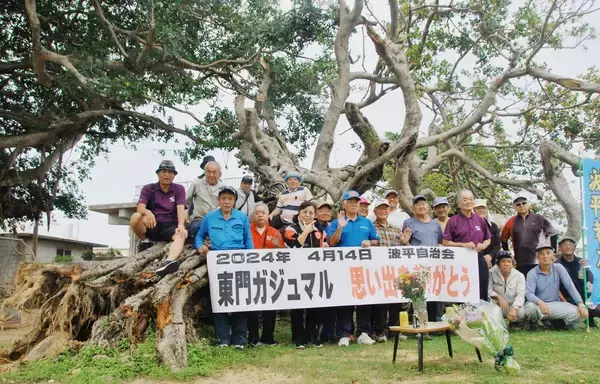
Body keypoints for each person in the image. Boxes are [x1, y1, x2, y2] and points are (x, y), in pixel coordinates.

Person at [195, 186, 254, 349]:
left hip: (239, 261)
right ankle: (223, 340)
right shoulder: (209, 217)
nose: (227, 201)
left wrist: (251, 259)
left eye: (230, 198)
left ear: (234, 201)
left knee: (240, 299)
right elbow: (199, 235)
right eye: (224, 198)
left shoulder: (242, 217)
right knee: (219, 298)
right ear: (218, 200)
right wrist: (200, 245)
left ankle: (239, 339)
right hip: (217, 262)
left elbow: (248, 240)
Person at [327, 190, 379, 347]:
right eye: (350, 201)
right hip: (343, 268)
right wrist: (340, 228)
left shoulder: (367, 222)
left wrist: (370, 243)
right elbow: (332, 243)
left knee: (364, 299)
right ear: (344, 204)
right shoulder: (337, 222)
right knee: (345, 299)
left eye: (356, 201)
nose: (354, 204)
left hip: (363, 268)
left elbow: (376, 241)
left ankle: (364, 332)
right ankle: (345, 333)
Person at [130, 160, 187, 277]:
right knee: (136, 216)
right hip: (153, 223)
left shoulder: (179, 189)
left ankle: (168, 261)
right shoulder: (149, 188)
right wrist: (147, 212)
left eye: (170, 172)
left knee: (181, 235)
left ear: (174, 175)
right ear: (158, 173)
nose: (167, 175)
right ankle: (145, 241)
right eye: (164, 171)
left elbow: (181, 209)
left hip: (170, 224)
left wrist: (181, 225)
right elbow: (140, 207)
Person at [284, 201, 329, 349]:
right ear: (299, 213)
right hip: (295, 272)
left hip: (314, 273)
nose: (308, 215)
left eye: (311, 212)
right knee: (297, 306)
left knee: (314, 305)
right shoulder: (291, 228)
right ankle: (298, 338)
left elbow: (325, 248)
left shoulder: (319, 231)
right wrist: (306, 231)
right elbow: (295, 246)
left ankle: (313, 336)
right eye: (305, 212)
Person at [372, 199, 411, 342]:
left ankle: (395, 330)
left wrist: (404, 242)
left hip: (394, 270)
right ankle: (380, 331)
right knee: (380, 302)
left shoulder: (396, 229)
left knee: (396, 301)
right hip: (377, 270)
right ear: (375, 211)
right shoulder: (371, 228)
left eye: (386, 208)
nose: (383, 211)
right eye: (380, 208)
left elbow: (404, 250)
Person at [524, 243, 588, 330]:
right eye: (541, 254)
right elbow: (528, 293)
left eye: (548, 253)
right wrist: (539, 302)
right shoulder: (532, 273)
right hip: (538, 305)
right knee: (530, 308)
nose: (545, 256)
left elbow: (570, 286)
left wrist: (580, 304)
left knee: (579, 313)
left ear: (553, 256)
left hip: (554, 305)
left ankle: (560, 323)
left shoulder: (558, 268)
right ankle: (533, 323)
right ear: (537, 257)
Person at [403, 195, 444, 329]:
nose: (421, 206)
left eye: (424, 204)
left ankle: (436, 324)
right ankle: (421, 325)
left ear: (428, 207)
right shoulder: (408, 222)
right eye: (418, 204)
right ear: (413, 208)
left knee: (435, 292)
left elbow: (439, 243)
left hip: (434, 264)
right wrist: (407, 245)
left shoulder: (435, 224)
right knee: (419, 295)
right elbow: (405, 243)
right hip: (417, 264)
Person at [442, 189, 491, 300]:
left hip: (478, 258)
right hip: (460, 261)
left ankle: (483, 313)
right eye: (465, 200)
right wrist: (462, 245)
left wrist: (483, 245)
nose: (469, 202)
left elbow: (488, 239)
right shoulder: (453, 220)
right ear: (459, 203)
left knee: (482, 287)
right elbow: (445, 242)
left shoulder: (480, 220)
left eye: (471, 199)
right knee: (463, 290)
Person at [247, 203, 283, 346]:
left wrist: (277, 246)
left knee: (270, 305)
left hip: (270, 274)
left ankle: (268, 337)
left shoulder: (275, 232)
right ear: (252, 215)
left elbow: (283, 254)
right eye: (257, 212)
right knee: (251, 305)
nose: (260, 215)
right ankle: (253, 338)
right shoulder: (246, 230)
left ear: (268, 215)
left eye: (263, 212)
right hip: (251, 272)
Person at [501, 195, 558, 277]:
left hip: (539, 260)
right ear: (514, 207)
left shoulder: (539, 218)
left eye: (524, 203)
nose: (521, 206)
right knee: (525, 286)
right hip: (520, 261)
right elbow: (503, 239)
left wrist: (553, 252)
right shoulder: (511, 221)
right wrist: (509, 255)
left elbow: (553, 233)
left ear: (528, 204)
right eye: (518, 204)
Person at [555, 236, 599, 327]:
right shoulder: (556, 265)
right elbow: (554, 286)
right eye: (564, 245)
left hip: (586, 299)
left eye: (570, 244)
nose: (568, 247)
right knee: (571, 326)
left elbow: (592, 280)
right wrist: (563, 300)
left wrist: (588, 268)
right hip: (568, 301)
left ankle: (590, 317)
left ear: (575, 247)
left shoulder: (582, 262)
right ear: (559, 248)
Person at [187, 161, 223, 239]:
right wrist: (187, 216)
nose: (211, 175)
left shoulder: (223, 187)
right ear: (205, 172)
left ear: (219, 174)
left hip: (216, 219)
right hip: (199, 218)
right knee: (198, 228)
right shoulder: (197, 183)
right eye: (208, 172)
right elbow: (187, 201)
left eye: (214, 172)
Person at [488, 251, 526, 326]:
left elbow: (521, 295)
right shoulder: (491, 273)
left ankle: (514, 323)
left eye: (509, 261)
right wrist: (499, 298)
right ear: (498, 264)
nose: (506, 264)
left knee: (521, 313)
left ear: (513, 264)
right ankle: (496, 322)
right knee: (492, 311)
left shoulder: (519, 275)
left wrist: (514, 308)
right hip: (496, 303)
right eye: (503, 261)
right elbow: (488, 290)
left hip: (511, 304)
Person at [474, 199, 501, 268]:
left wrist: (490, 256)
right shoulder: (468, 225)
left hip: (490, 260)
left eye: (483, 208)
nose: (481, 210)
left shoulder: (493, 226)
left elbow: (497, 245)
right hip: (473, 259)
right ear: (473, 210)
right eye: (478, 208)